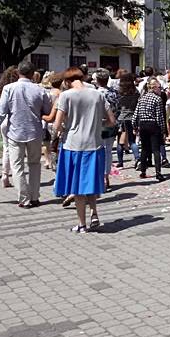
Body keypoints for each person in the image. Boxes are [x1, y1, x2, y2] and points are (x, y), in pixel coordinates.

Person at [53, 67, 115, 233]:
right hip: (94, 144)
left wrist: (64, 128)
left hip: (73, 145)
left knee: (78, 188)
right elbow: (111, 121)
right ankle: (94, 213)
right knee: (90, 183)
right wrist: (97, 124)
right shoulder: (98, 94)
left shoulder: (66, 96)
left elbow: (56, 125)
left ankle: (82, 224)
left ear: (67, 81)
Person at [0, 60, 52, 208]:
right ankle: (35, 197)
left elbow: (1, 112)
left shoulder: (8, 89)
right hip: (35, 132)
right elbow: (47, 111)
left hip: (15, 132)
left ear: (18, 73)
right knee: (34, 164)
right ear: (33, 74)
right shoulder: (40, 90)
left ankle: (24, 199)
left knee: (17, 166)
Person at [133, 78, 167, 181]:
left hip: (143, 124)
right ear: (154, 88)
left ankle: (143, 171)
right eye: (159, 87)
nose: (160, 90)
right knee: (156, 149)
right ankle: (158, 172)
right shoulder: (157, 99)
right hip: (153, 124)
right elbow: (159, 116)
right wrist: (163, 129)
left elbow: (136, 114)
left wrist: (135, 126)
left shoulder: (141, 98)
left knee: (144, 148)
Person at [95, 69, 119, 190]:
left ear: (97, 80)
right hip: (112, 124)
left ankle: (101, 177)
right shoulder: (114, 92)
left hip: (99, 124)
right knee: (108, 151)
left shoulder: (95, 93)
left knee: (100, 150)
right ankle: (106, 176)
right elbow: (118, 108)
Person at [0, 66, 19, 188]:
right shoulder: (17, 89)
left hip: (4, 121)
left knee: (6, 149)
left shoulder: (3, 89)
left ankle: (5, 175)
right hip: (14, 122)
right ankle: (16, 175)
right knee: (18, 151)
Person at [116, 73, 140, 169]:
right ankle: (137, 158)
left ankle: (120, 161)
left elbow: (117, 105)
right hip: (133, 116)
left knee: (120, 141)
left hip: (122, 117)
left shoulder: (119, 92)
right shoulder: (136, 92)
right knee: (132, 140)